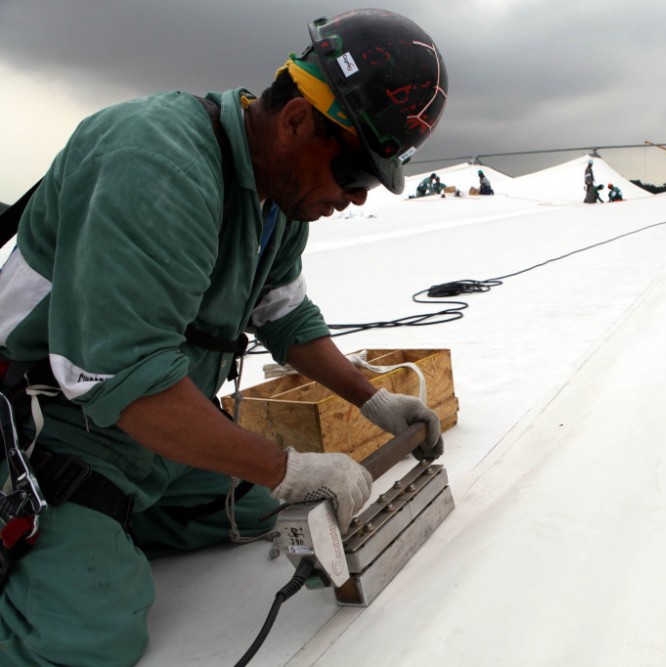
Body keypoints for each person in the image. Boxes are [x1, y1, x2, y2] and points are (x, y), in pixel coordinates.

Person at [0, 9, 448, 666]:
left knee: (253, 509)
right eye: (354, 175)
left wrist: (371, 399)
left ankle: (98, 528)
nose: (355, 200)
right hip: (50, 429)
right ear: (296, 121)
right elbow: (126, 383)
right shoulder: (158, 164)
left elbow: (286, 317)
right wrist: (286, 465)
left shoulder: (280, 198)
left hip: (142, 430)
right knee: (89, 638)